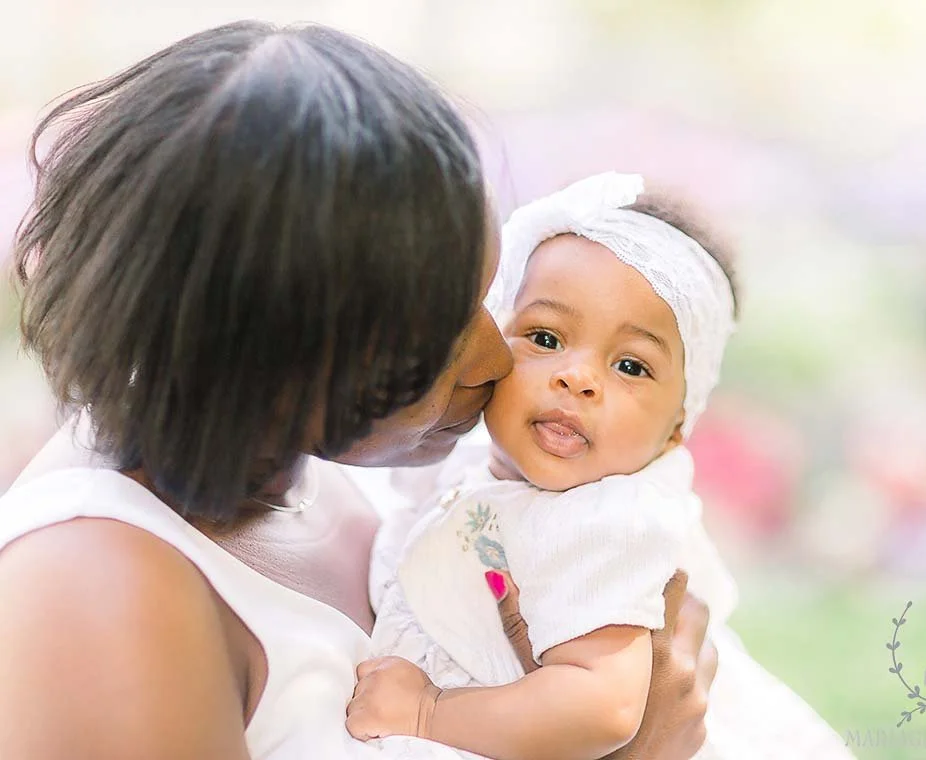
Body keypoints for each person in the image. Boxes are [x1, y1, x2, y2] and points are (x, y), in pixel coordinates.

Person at [0, 22, 714, 760]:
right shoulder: (97, 596)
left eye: (485, 297)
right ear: (278, 364)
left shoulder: (304, 470)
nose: (497, 358)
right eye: (441, 338)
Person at [344, 173, 853, 759]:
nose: (577, 377)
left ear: (676, 429)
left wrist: (427, 711)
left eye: (631, 367)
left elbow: (600, 706)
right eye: (545, 337)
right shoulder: (469, 463)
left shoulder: (610, 523)